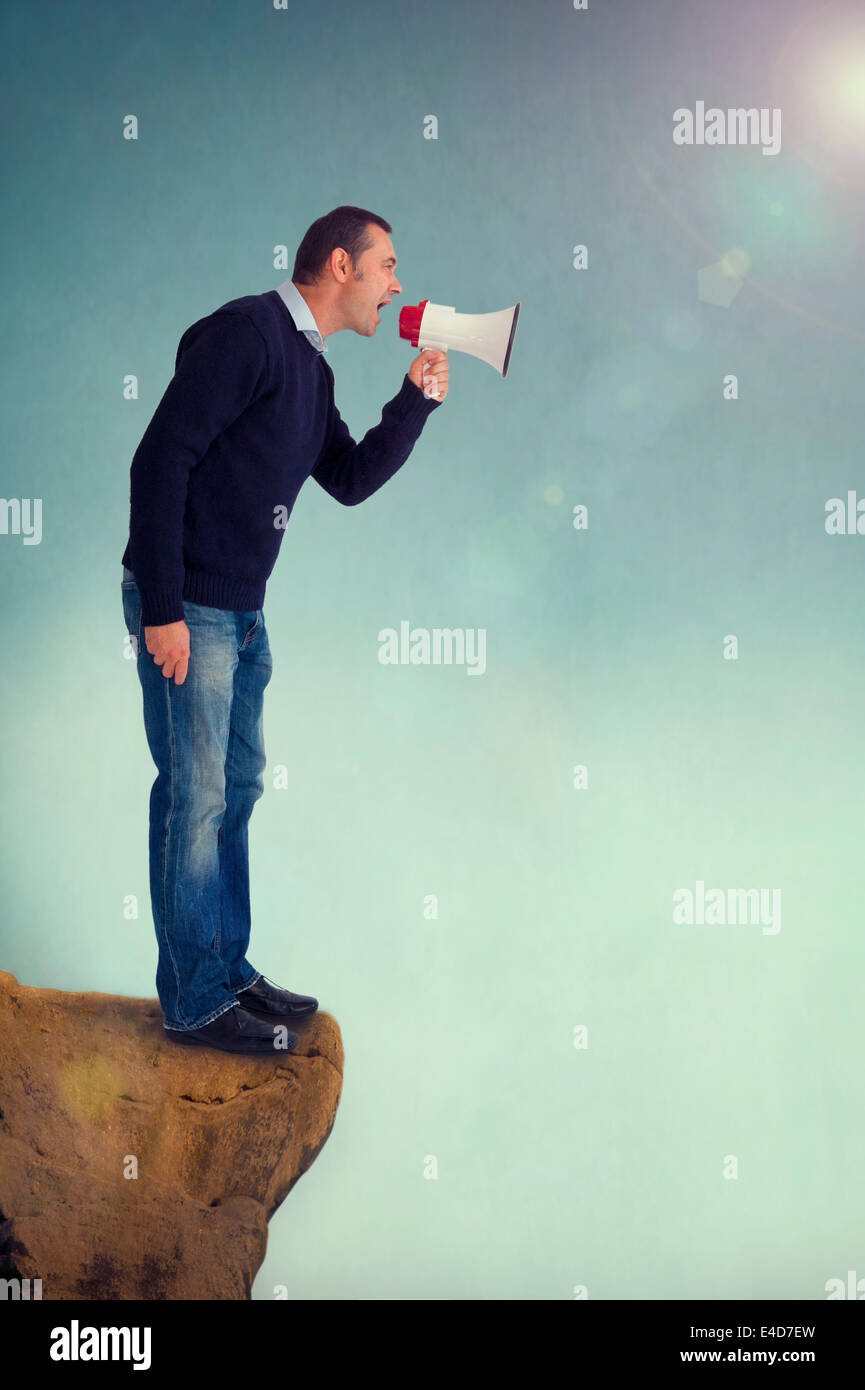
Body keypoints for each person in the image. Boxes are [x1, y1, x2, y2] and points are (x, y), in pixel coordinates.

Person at [120, 205, 448, 1055]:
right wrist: (161, 607)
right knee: (194, 800)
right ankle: (193, 1001)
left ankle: (225, 969)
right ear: (340, 265)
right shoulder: (247, 333)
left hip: (240, 611)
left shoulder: (312, 372)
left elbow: (345, 478)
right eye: (388, 266)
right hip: (188, 606)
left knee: (237, 789)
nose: (398, 284)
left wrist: (412, 403)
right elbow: (160, 460)